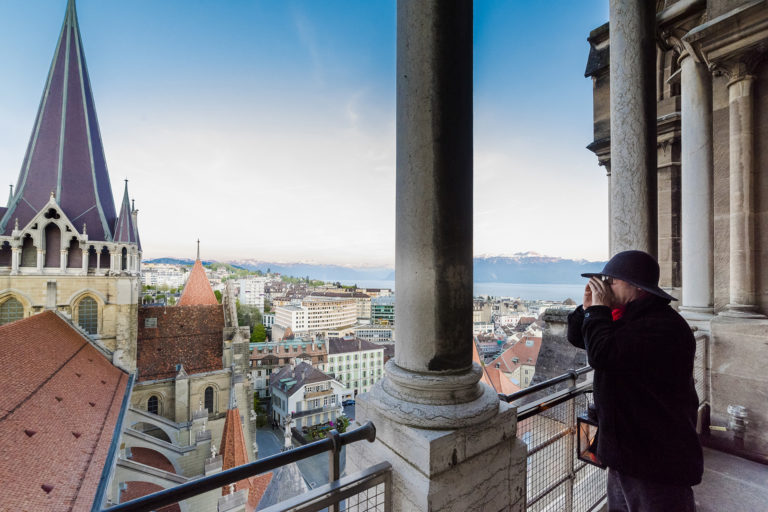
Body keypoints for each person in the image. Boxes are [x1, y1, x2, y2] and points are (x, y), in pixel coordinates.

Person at [567, 250, 702, 512]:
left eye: (612, 280)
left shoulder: (661, 326)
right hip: (627, 450)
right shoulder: (627, 318)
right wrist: (586, 308)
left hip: (655, 456)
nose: (605, 285)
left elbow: (602, 354)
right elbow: (578, 338)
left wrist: (597, 310)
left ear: (636, 287)